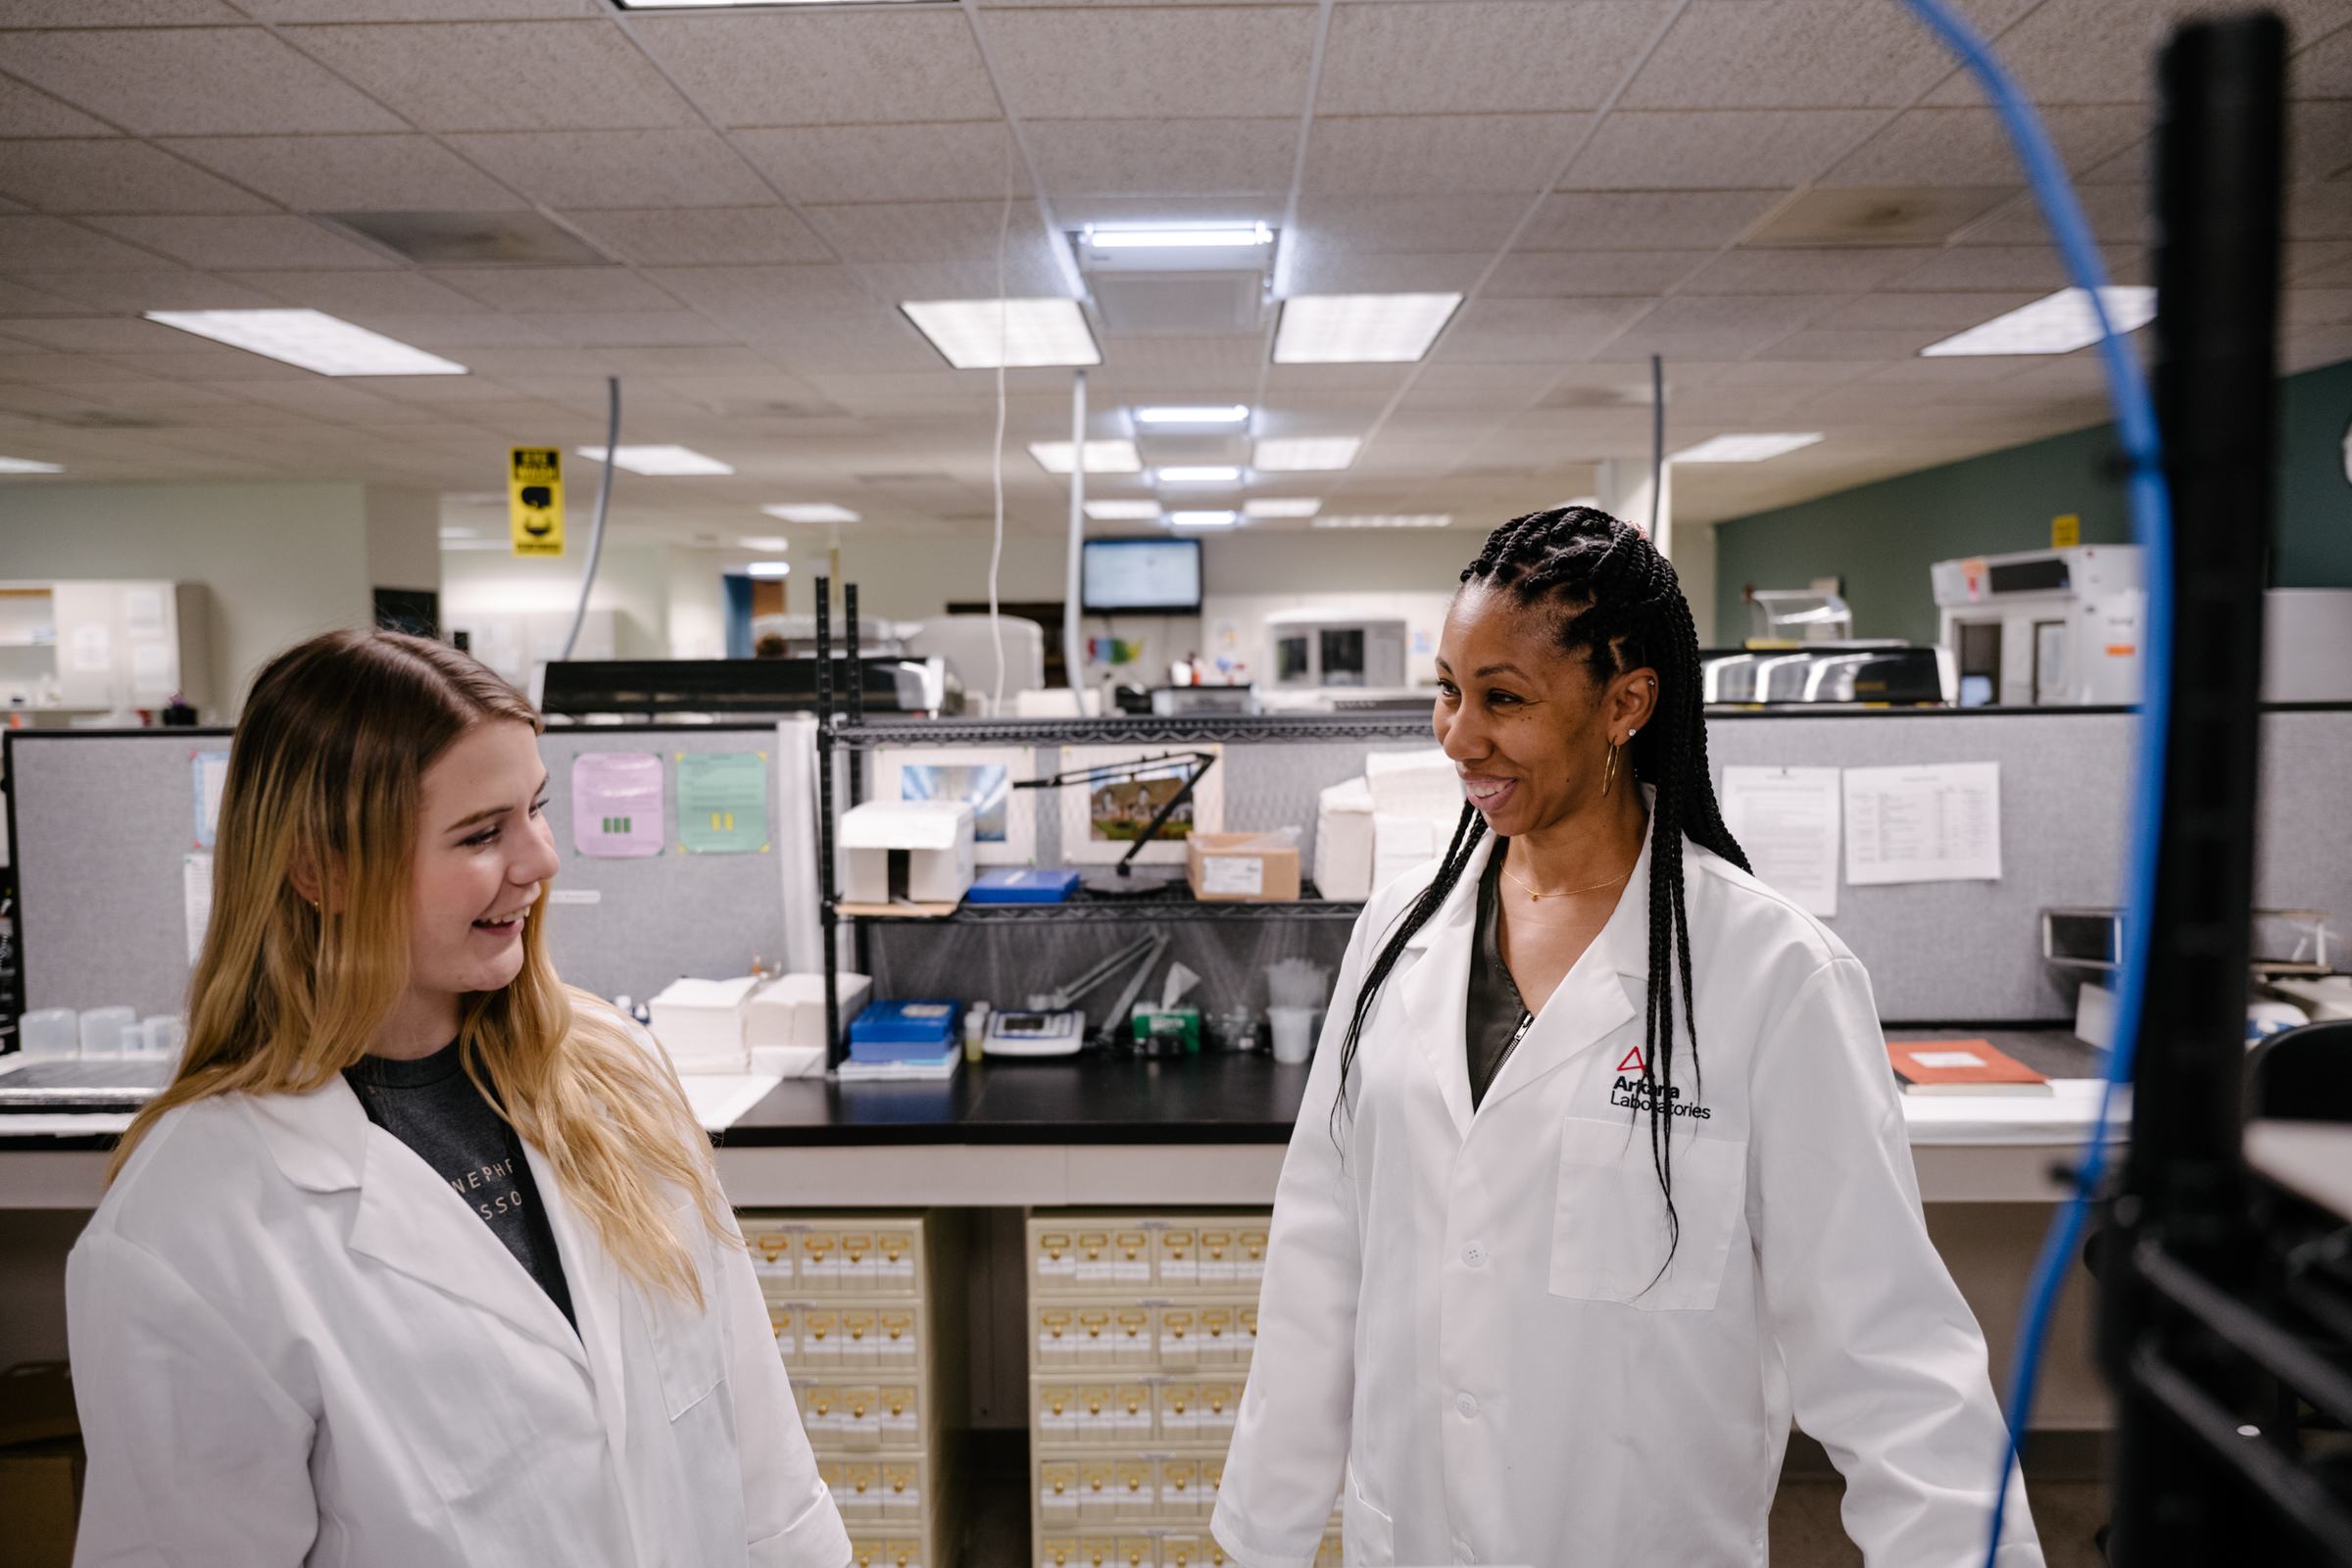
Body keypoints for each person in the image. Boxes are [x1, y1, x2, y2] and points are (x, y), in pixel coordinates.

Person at [1213, 509, 2041, 1567]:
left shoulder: (1771, 973)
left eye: (1503, 699)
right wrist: (1264, 1536)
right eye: (1449, 689)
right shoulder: (1400, 932)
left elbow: (1886, 1349)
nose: (1459, 735)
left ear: (1627, 703)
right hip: (1412, 1533)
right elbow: (1322, 1256)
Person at [67, 630, 849, 1568]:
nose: (540, 860)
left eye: (536, 811)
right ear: (323, 871)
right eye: (482, 833)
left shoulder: (612, 1071)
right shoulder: (194, 1225)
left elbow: (756, 1445)